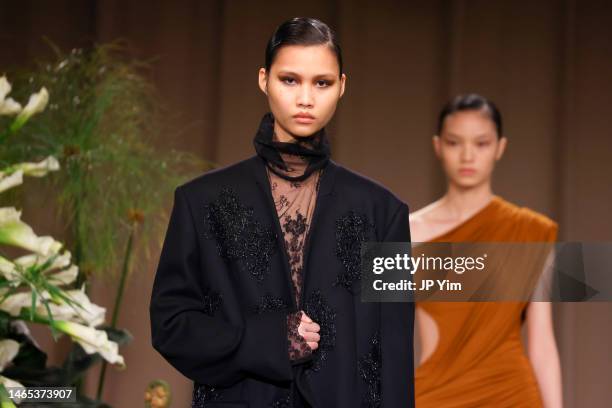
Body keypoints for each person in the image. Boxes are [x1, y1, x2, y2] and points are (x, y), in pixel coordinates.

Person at [150, 17, 415, 408]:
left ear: (342, 86)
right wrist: (267, 341)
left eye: (321, 83)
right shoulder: (201, 202)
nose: (305, 98)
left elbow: (394, 357)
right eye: (290, 80)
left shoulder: (384, 213)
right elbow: (171, 326)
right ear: (264, 80)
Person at [410, 94, 563, 407]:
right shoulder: (406, 233)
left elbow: (542, 342)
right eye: (455, 143)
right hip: (436, 394)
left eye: (481, 143)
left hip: (512, 394)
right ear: (438, 146)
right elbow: (383, 339)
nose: (468, 155)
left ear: (499, 147)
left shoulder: (530, 232)